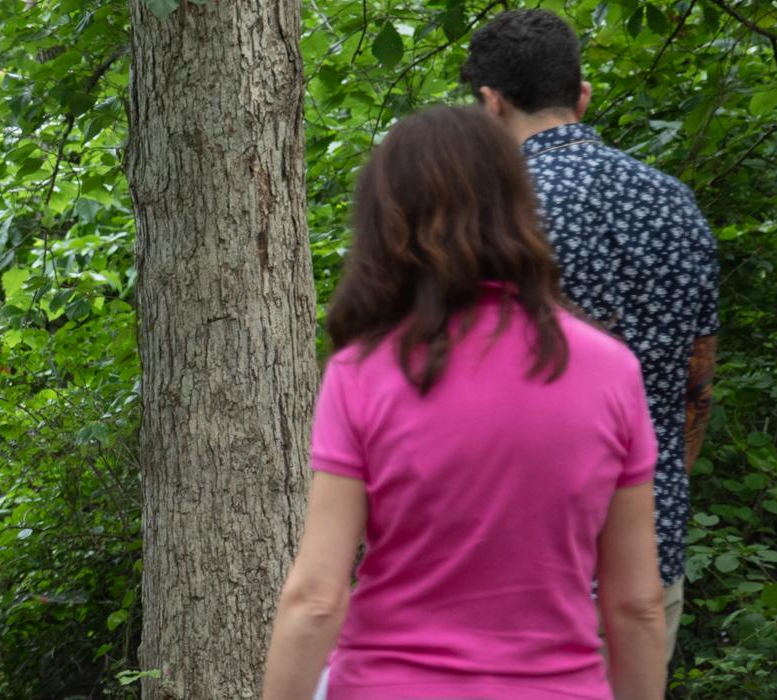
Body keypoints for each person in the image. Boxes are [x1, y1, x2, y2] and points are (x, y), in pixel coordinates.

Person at [260, 107, 666, 699]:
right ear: (516, 205)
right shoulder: (610, 370)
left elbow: (317, 599)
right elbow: (638, 605)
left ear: (387, 220)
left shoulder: (365, 372)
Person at [463, 10, 719, 657]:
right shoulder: (675, 206)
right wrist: (656, 490)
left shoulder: (488, 216)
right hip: (648, 563)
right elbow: (697, 385)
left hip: (517, 578)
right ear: (582, 95)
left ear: (491, 105)